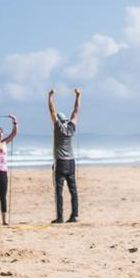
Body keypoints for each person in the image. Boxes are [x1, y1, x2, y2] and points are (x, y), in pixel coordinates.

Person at [48, 87, 82, 223]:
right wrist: (78, 95)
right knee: (73, 190)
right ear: (66, 120)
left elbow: (52, 110)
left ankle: (60, 217)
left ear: (59, 120)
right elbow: (76, 111)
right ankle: (75, 215)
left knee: (59, 191)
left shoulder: (58, 127)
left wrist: (50, 96)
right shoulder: (71, 128)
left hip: (61, 162)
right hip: (71, 162)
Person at [0, 114, 19, 223]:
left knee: (3, 196)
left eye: (1, 132)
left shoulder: (5, 142)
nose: (0, 133)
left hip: (3, 172)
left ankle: (4, 220)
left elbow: (14, 133)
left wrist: (14, 121)